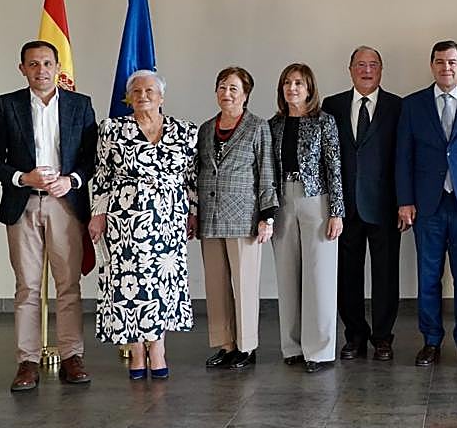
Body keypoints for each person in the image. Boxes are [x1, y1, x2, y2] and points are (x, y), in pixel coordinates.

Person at [0, 40, 97, 392]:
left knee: (68, 285)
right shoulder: (7, 105)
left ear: (58, 67)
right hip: (24, 204)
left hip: (66, 205)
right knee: (27, 286)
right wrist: (22, 178)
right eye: (33, 64)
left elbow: (92, 157)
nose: (41, 70)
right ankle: (27, 361)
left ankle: (71, 356)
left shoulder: (80, 105)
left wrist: (72, 180)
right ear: (23, 69)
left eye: (47, 63)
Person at [88, 70, 196, 380]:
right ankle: (136, 352)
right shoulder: (111, 129)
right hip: (126, 219)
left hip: (168, 219)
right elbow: (102, 175)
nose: (143, 95)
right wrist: (98, 214)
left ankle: (158, 349)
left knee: (161, 284)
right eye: (136, 92)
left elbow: (191, 178)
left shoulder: (184, 131)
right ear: (129, 98)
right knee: (128, 285)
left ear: (161, 97)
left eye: (150, 91)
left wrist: (193, 212)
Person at [397, 40, 457, 368]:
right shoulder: (412, 105)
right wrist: (405, 202)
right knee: (428, 276)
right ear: (432, 66)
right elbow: (404, 157)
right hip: (427, 205)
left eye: (452, 62)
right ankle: (431, 341)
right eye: (440, 62)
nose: (446, 68)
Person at [322, 46, 403, 362]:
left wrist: (404, 203)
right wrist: (332, 206)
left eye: (373, 65)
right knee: (347, 275)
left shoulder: (397, 106)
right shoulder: (333, 106)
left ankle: (383, 337)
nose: (366, 70)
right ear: (350, 69)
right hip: (345, 207)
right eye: (360, 64)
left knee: (385, 275)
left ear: (381, 70)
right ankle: (354, 335)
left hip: (385, 205)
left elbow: (403, 157)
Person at [196, 66, 277, 371]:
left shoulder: (257, 127)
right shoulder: (205, 129)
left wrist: (267, 216)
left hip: (244, 217)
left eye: (233, 88)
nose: (226, 93)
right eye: (221, 87)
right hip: (210, 217)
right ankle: (225, 344)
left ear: (245, 94)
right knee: (216, 286)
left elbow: (267, 173)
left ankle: (246, 346)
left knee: (244, 284)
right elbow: (198, 171)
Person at [269, 63, 344, 373]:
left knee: (319, 277)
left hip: (317, 200)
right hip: (283, 200)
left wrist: (337, 211)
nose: (293, 88)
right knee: (287, 276)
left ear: (310, 88)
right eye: (287, 82)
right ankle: (293, 346)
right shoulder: (273, 124)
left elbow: (334, 167)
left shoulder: (324, 122)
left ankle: (321, 350)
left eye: (299, 83)